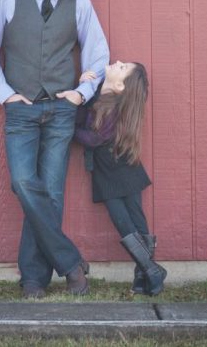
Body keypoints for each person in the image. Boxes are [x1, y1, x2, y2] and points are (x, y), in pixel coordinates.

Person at [0, 0, 109, 298]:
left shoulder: (79, 3)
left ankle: (33, 280)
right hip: (21, 110)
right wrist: (5, 94)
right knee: (22, 183)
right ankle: (70, 263)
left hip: (62, 110)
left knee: (51, 193)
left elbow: (98, 54)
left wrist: (81, 94)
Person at [74, 60, 167, 296]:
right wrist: (82, 89)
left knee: (132, 220)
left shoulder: (116, 107)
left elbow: (94, 138)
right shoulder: (97, 95)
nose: (117, 62)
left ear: (121, 87)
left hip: (122, 168)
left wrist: (68, 131)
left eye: (123, 67)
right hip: (107, 172)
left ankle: (146, 271)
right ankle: (148, 272)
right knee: (123, 221)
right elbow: (82, 118)